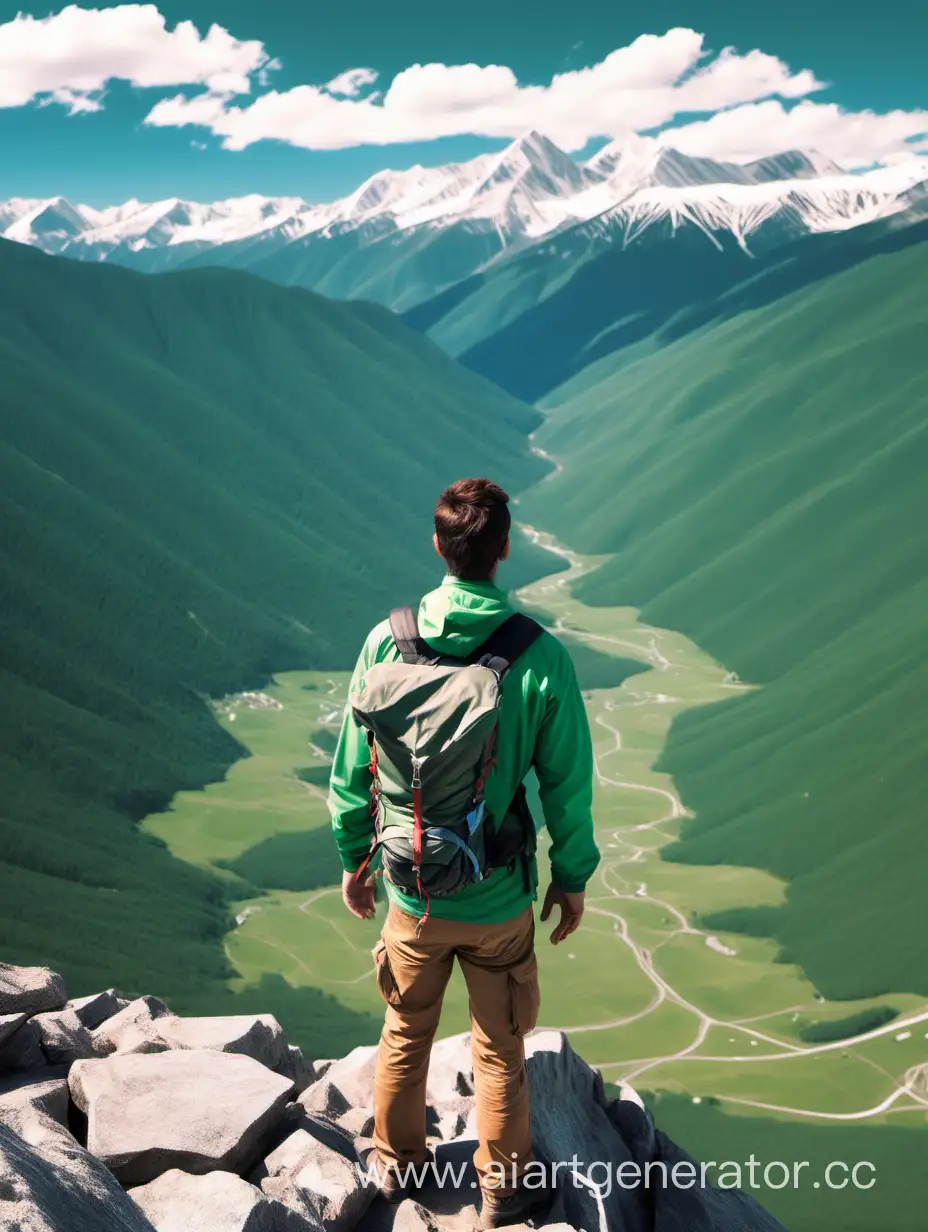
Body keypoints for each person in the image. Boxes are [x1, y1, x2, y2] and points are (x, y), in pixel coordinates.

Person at [328, 477, 599, 1228]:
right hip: (498, 898)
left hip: (412, 890)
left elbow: (352, 769)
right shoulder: (540, 657)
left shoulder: (387, 641)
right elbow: (567, 786)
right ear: (505, 548)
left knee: (405, 1029)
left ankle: (396, 1166)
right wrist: (571, 878)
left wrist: (357, 860)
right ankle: (504, 1192)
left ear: (439, 546)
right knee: (500, 1048)